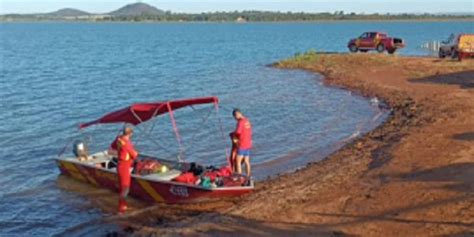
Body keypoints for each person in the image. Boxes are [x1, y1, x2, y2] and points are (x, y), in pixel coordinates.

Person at [110, 126, 139, 214]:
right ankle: (121, 208)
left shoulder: (119, 139)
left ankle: (124, 206)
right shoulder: (126, 143)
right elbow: (134, 155)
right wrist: (136, 152)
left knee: (123, 188)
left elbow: (112, 146)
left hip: (120, 165)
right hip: (124, 167)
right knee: (125, 189)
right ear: (130, 134)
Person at [232, 108, 252, 177]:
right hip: (248, 144)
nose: (236, 119)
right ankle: (248, 176)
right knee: (247, 161)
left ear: (237, 114)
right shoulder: (247, 120)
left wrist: (234, 136)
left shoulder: (240, 122)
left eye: (235, 117)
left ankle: (240, 178)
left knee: (238, 162)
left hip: (242, 145)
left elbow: (238, 132)